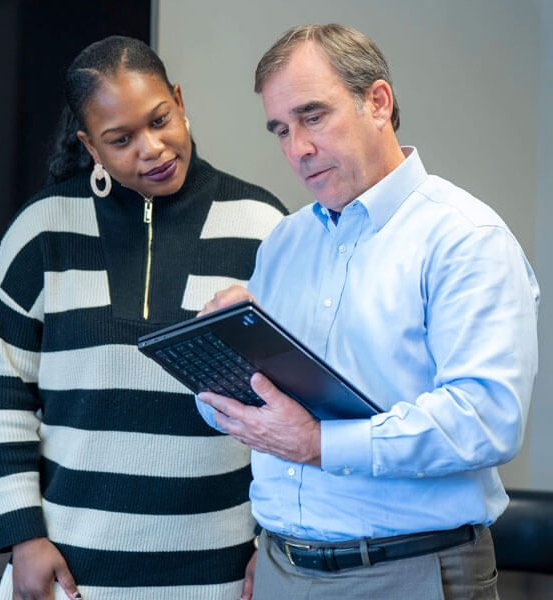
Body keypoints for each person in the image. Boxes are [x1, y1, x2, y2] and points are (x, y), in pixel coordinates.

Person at [196, 24, 539, 599]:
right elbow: (246, 417)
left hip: (409, 571)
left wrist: (320, 444)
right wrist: (220, 354)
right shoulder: (284, 243)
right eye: (281, 128)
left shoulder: (465, 238)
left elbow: (486, 418)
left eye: (313, 116)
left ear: (377, 102)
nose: (296, 148)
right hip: (281, 569)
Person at [0, 36, 286, 599]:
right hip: (70, 577)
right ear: (89, 146)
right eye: (120, 140)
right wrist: (23, 540)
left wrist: (273, 542)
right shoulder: (41, 234)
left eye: (160, 119)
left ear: (178, 98)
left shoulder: (262, 227)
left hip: (219, 575)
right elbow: (4, 399)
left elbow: (291, 405)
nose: (152, 148)